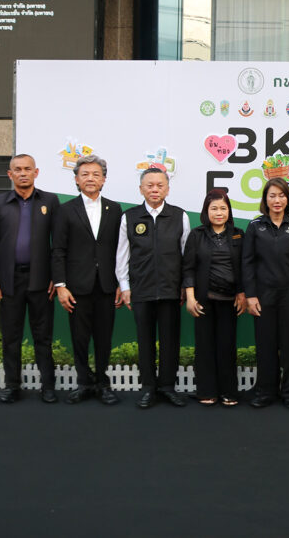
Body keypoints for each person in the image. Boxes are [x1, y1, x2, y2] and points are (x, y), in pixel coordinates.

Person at [0, 154, 59, 404]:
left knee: (43, 337)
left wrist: (57, 277)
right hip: (9, 281)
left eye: (28, 169)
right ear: (10, 174)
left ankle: (48, 387)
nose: (23, 173)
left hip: (42, 280)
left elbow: (59, 243)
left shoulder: (50, 201)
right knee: (11, 337)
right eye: (17, 169)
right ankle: (12, 386)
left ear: (36, 172)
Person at [51, 155, 123, 406]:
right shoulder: (65, 210)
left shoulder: (115, 209)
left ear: (104, 179)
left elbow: (120, 250)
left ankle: (102, 383)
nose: (90, 178)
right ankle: (83, 382)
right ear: (76, 179)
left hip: (106, 285)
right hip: (76, 287)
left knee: (104, 338)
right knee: (80, 338)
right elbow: (58, 250)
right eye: (85, 174)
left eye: (96, 174)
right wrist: (60, 286)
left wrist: (121, 284)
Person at [116, 167, 191, 409]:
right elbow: (122, 256)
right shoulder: (130, 217)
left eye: (160, 185)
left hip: (171, 290)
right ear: (141, 189)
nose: (155, 189)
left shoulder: (180, 216)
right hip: (141, 289)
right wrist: (125, 286)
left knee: (170, 340)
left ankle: (167, 387)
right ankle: (148, 387)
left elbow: (187, 256)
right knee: (145, 341)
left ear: (167, 189)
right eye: (150, 185)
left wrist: (185, 286)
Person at [242, 178, 289, 409]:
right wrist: (250, 295)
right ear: (265, 199)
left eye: (281, 195)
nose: (277, 200)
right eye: (272, 195)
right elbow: (247, 263)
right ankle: (265, 391)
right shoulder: (255, 226)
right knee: (266, 345)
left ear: (288, 199)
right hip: (263, 295)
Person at [183, 188, 247, 407]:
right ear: (206, 211)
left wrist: (242, 293)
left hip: (230, 301)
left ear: (229, 211)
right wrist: (190, 297)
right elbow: (188, 268)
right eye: (214, 208)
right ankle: (206, 391)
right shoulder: (197, 235)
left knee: (227, 346)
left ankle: (229, 392)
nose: (219, 213)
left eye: (223, 208)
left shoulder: (238, 234)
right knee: (205, 346)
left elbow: (245, 267)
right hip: (203, 301)